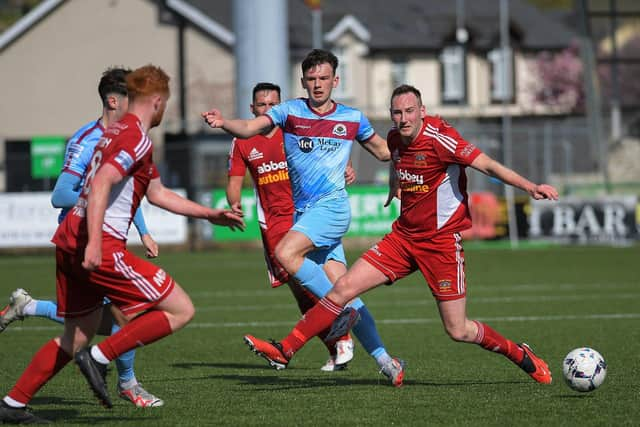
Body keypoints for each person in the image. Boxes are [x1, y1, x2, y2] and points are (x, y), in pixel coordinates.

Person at [241, 84, 559, 387]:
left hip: (441, 244)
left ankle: (519, 353)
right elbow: (395, 159)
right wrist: (395, 184)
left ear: (422, 110)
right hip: (403, 238)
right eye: (396, 112)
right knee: (343, 288)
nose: (403, 118)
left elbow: (487, 165)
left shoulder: (441, 138)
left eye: (409, 111)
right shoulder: (395, 137)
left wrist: (531, 187)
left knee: (458, 329)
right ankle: (286, 349)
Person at [0, 65, 245, 424]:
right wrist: (96, 244)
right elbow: (100, 184)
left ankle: (13, 404)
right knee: (180, 310)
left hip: (69, 238)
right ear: (158, 102)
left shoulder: (115, 132)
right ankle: (100, 360)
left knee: (76, 335)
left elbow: (158, 193)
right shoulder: (136, 138)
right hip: (97, 243)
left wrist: (209, 214)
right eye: (166, 105)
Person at [204, 49, 403, 384]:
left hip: (334, 209)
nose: (317, 84)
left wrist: (405, 155)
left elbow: (386, 151)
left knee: (285, 253)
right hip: (305, 214)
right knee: (347, 292)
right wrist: (224, 123)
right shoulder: (289, 111)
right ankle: (387, 362)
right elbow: (250, 126)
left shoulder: (352, 118)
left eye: (324, 78)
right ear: (302, 81)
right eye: (311, 79)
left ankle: (336, 313)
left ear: (335, 80)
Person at [0, 67, 164, 408]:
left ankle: (27, 312)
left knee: (90, 324)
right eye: (132, 100)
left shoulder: (126, 136)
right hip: (82, 243)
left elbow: (124, 192)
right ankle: (128, 384)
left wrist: (144, 231)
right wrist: (95, 197)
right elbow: (60, 195)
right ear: (113, 100)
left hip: (106, 242)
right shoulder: (86, 139)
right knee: (126, 317)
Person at [227, 82, 355, 371]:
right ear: (253, 109)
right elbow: (233, 182)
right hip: (271, 225)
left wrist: (344, 169)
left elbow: (329, 153)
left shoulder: (294, 130)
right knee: (301, 294)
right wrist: (233, 203)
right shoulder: (242, 141)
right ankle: (335, 348)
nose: (268, 109)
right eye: (262, 105)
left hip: (304, 217)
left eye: (274, 104)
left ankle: (342, 334)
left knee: (318, 285)